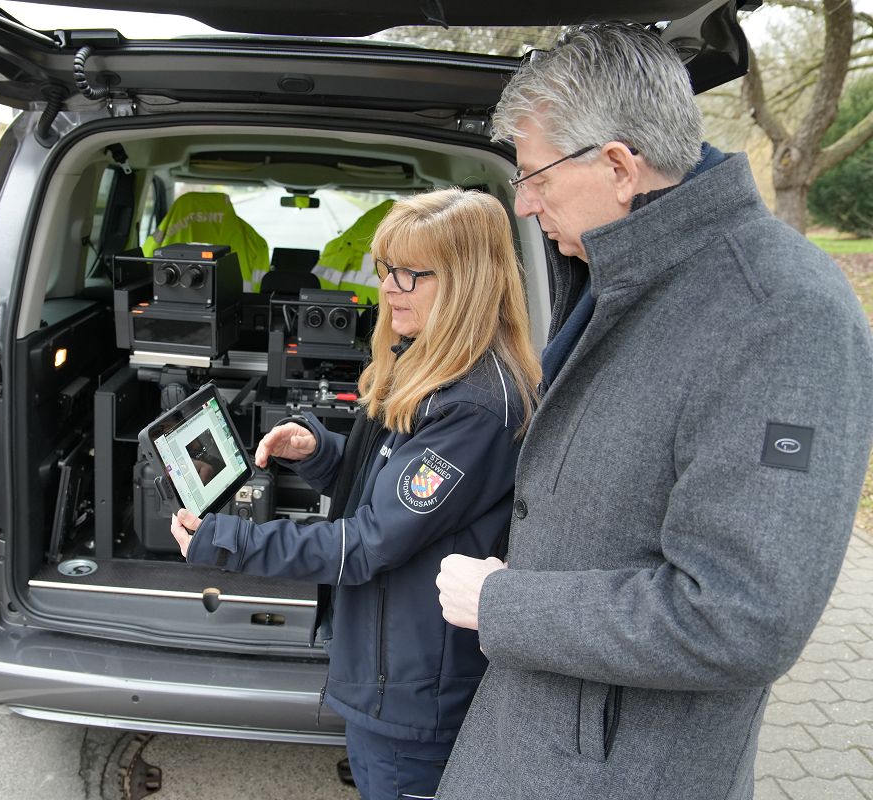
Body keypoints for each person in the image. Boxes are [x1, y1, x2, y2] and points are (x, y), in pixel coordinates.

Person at [434, 22, 873, 800]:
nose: (525, 206)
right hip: (544, 736)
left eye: (533, 177)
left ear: (617, 166)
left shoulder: (780, 314)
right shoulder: (631, 268)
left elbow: (740, 616)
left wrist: (505, 604)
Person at [169, 188, 542, 800]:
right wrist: (319, 455)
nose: (389, 288)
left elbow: (370, 542)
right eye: (385, 269)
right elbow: (389, 494)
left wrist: (226, 540)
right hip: (388, 666)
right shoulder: (429, 366)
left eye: (410, 274)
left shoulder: (474, 405)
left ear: (468, 282)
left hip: (412, 691)